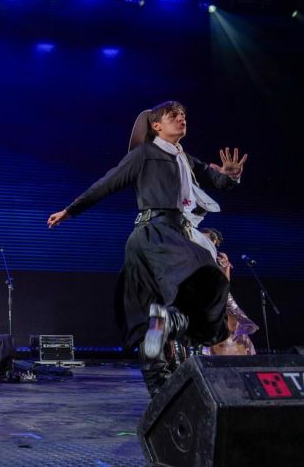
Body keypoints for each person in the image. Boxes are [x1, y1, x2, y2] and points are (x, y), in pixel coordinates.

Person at [47, 101, 247, 397]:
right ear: (156, 126)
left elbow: (214, 179)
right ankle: (169, 325)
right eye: (173, 116)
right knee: (207, 276)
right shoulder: (144, 155)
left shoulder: (185, 159)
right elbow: (107, 183)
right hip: (155, 235)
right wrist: (71, 210)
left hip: (164, 237)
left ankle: (160, 390)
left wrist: (230, 176)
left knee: (152, 323)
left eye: (184, 115)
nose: (181, 119)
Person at [200, 228, 258, 355]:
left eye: (210, 240)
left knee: (233, 326)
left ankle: (243, 357)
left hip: (220, 296)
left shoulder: (218, 257)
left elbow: (224, 284)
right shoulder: (195, 255)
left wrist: (225, 268)